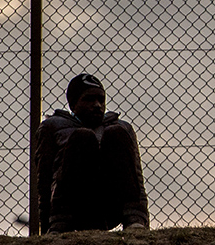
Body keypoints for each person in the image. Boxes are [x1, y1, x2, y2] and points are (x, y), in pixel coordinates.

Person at [36, 74, 149, 233]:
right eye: (89, 99)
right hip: (74, 206)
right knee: (83, 137)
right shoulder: (53, 127)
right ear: (74, 103)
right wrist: (49, 226)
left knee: (116, 132)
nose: (97, 105)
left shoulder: (121, 128)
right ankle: (61, 223)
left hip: (111, 203)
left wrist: (142, 219)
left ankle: (134, 221)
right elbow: (44, 180)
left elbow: (136, 177)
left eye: (101, 100)